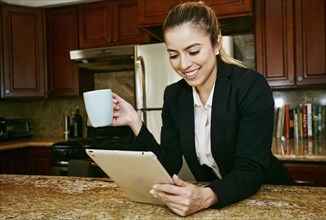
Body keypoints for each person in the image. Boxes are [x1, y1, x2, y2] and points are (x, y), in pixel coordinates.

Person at [111, 1, 293, 217]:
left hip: (270, 199)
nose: (184, 64)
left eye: (193, 51)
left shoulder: (250, 86)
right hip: (219, 203)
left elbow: (250, 170)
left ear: (216, 44)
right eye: (174, 55)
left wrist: (205, 196)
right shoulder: (174, 96)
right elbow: (169, 164)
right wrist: (134, 121)